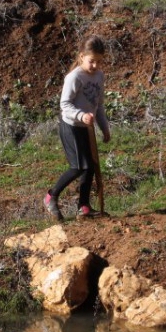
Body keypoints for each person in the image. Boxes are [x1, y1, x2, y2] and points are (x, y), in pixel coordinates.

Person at [43, 36, 111, 221]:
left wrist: (104, 128)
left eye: (99, 61)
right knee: (79, 166)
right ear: (82, 57)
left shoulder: (99, 76)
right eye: (92, 61)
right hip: (71, 126)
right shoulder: (74, 77)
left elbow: (99, 105)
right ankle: (51, 196)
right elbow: (64, 104)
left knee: (89, 168)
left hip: (86, 128)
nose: (95, 65)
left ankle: (84, 207)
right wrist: (81, 115)